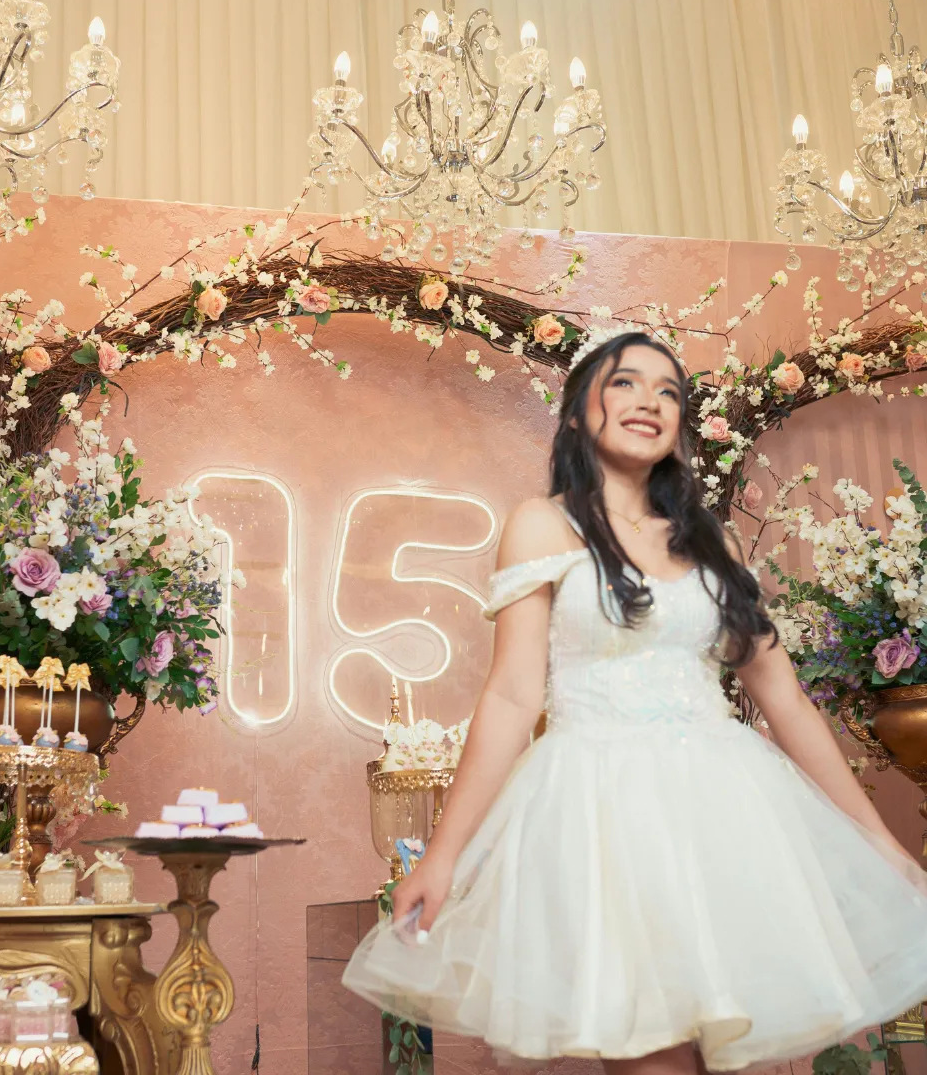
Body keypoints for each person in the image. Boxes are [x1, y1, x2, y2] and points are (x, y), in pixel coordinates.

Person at [343, 332, 927, 1074]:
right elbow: (514, 696)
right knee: (650, 1054)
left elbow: (786, 702)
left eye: (668, 391)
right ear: (578, 410)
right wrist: (444, 856)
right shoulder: (543, 525)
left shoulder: (711, 544)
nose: (649, 401)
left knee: (722, 1046)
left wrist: (880, 845)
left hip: (724, 815)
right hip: (603, 816)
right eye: (625, 382)